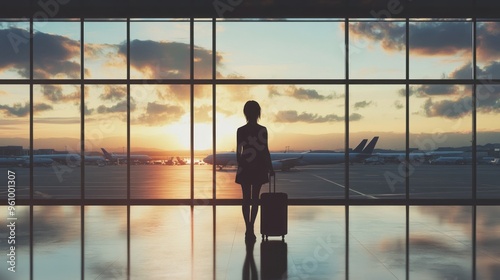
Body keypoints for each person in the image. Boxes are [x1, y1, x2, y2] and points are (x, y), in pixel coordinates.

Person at [236, 100, 275, 243]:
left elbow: (238, 151)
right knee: (255, 199)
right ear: (258, 113)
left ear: (245, 113)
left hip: (245, 166)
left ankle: (248, 227)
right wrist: (270, 167)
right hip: (259, 166)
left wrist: (241, 164)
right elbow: (265, 150)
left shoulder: (241, 130)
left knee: (245, 199)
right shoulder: (262, 130)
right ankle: (252, 225)